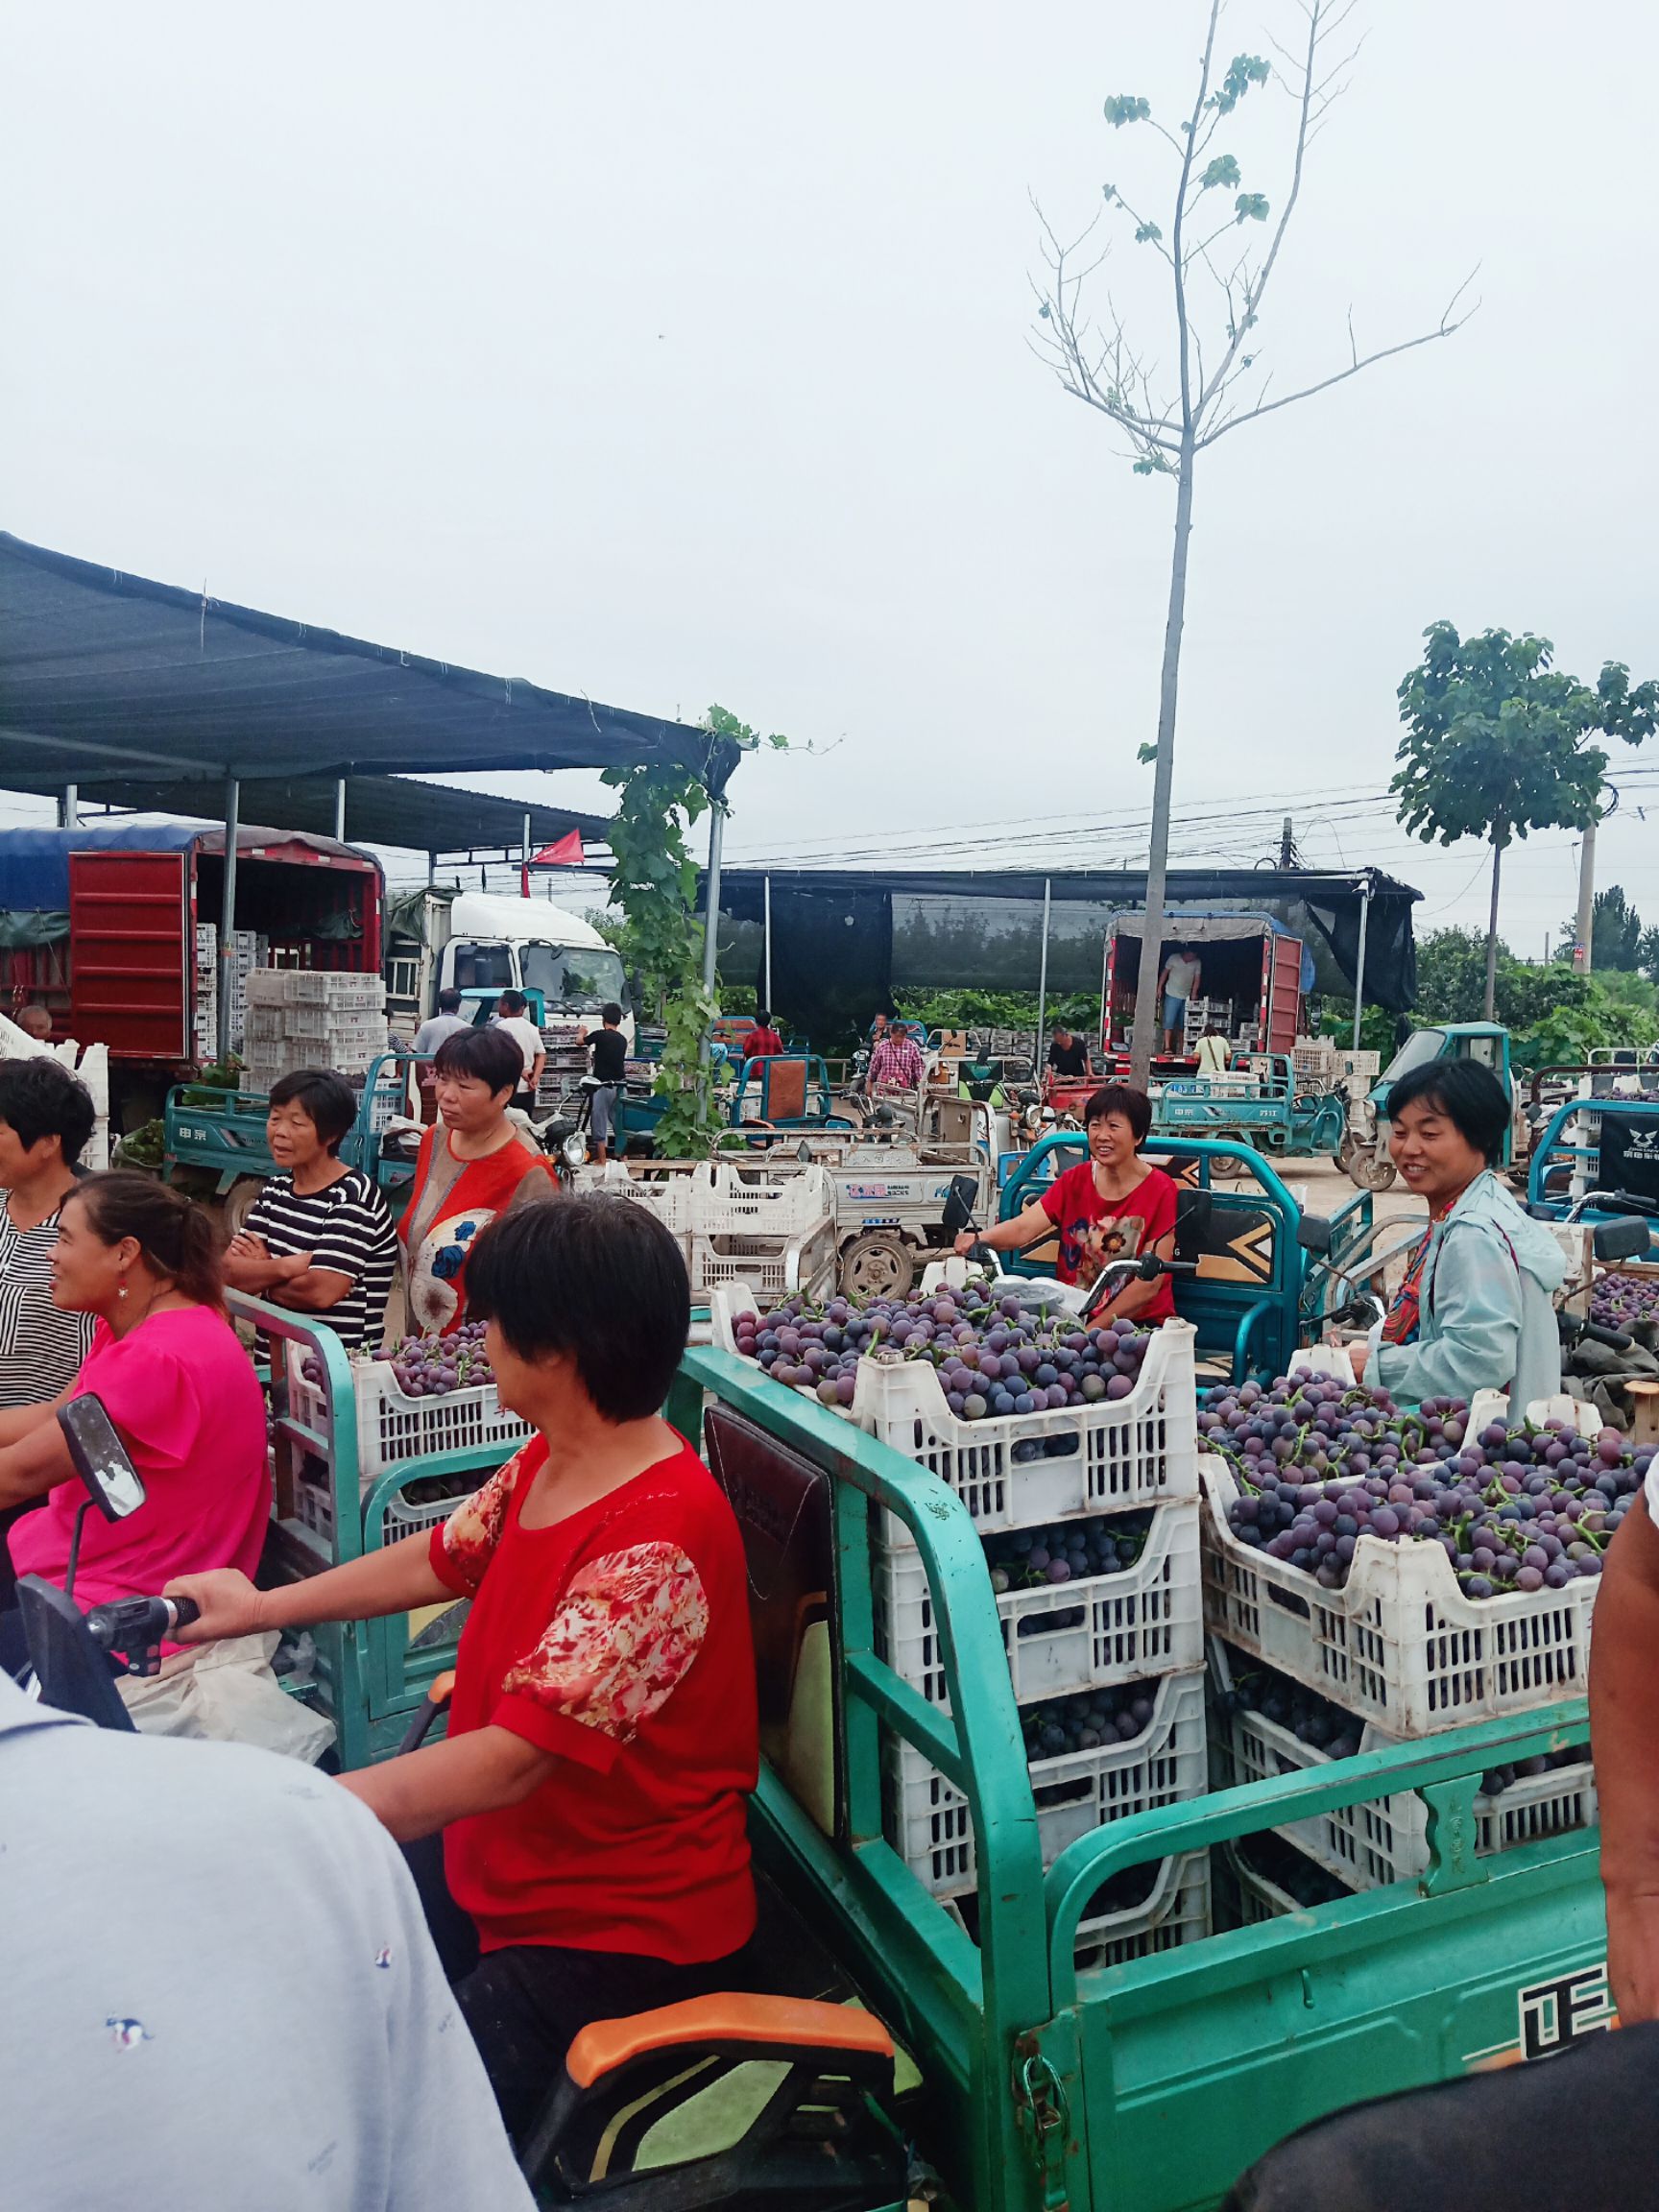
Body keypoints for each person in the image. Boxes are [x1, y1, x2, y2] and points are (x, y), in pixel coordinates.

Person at [170, 1197, 760, 2147]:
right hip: (507, 1862)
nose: (475, 1341)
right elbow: (442, 1557)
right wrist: (261, 1606)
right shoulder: (555, 1457)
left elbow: (512, 1762)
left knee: (412, 2138)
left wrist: (291, 1817)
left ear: (558, 1351)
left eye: (491, 1324)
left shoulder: (660, 1538)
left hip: (615, 1926)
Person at [0, 1667, 536, 2210]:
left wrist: (284, 1820)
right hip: (477, 1872)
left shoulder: (624, 1590)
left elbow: (519, 1760)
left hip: (578, 1921)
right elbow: (448, 1574)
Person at [0, 1173, 269, 1674]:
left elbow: (17, 1477)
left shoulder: (156, 1358)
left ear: (125, 1252)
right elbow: (49, 1417)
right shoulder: (159, 1320)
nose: (51, 1256)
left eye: (65, 1239)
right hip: (100, 1563)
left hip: (124, 1601)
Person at [1338, 1059, 1564, 1408]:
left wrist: (1375, 1365)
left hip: (1487, 1446)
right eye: (1399, 1132)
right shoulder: (1474, 1203)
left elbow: (1478, 1362)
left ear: (1479, 1137)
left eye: (1429, 1134)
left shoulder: (1472, 1234)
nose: (1409, 1148)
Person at [954, 1083, 1179, 1319]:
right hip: (1070, 1314)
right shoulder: (1075, 1180)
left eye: (1113, 1126)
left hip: (1132, 1326)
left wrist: (1089, 1333)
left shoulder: (1161, 1190)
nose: (1102, 1135)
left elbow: (1149, 1285)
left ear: (1139, 1135)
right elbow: (1023, 1228)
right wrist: (979, 1239)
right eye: (1095, 1125)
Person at [222, 1069, 398, 1352]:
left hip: (336, 1374)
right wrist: (287, 1266)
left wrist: (261, 1276)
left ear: (331, 1135)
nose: (279, 1132)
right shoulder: (275, 1191)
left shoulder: (353, 1195)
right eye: (275, 1118)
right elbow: (229, 1273)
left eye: (296, 1123)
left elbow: (320, 1291)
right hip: (274, 1365)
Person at [398, 1026, 558, 1334]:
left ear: (504, 1094)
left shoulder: (529, 1173)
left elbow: (538, 1291)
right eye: (443, 1078)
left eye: (464, 1086)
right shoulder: (433, 1141)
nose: (447, 1094)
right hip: (417, 1350)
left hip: (476, 1361)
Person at [585, 1002, 628, 1166]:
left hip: (603, 1085)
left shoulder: (600, 1035)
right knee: (620, 1122)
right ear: (619, 1021)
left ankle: (602, 1159)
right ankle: (623, 1157)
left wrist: (582, 1032)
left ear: (604, 1019)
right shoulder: (623, 1040)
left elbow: (580, 1042)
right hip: (620, 1085)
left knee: (599, 1119)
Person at [493, 990, 545, 1112]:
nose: (499, 1008)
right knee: (525, 1126)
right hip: (528, 1088)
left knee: (507, 1126)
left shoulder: (502, 1026)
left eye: (500, 1004)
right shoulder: (532, 1028)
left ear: (506, 1006)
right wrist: (535, 1077)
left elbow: (500, 1056)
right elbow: (541, 1054)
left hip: (508, 1087)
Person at [1158, 946, 1203, 1055]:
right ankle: (1167, 1047)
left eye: (1194, 956)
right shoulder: (1173, 958)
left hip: (1186, 996)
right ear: (1185, 953)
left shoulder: (1197, 963)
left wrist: (1193, 993)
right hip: (1171, 993)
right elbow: (1165, 973)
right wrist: (1159, 988)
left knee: (1184, 1023)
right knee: (1169, 1021)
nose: (1192, 958)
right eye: (1190, 956)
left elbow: (1197, 979)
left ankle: (1182, 1048)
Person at [866, 1021, 926, 1094]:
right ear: (891, 1033)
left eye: (902, 1036)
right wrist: (869, 1084)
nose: (899, 1039)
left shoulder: (912, 1047)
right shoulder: (882, 1046)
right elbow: (874, 1067)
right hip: (883, 1089)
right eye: (897, 1036)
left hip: (904, 1090)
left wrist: (921, 1084)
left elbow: (918, 1067)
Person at [414, 985, 471, 1058]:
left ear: (439, 1004)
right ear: (458, 1005)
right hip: (457, 1068)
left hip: (432, 1068)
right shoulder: (468, 1029)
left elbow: (417, 1054)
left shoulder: (426, 1025)